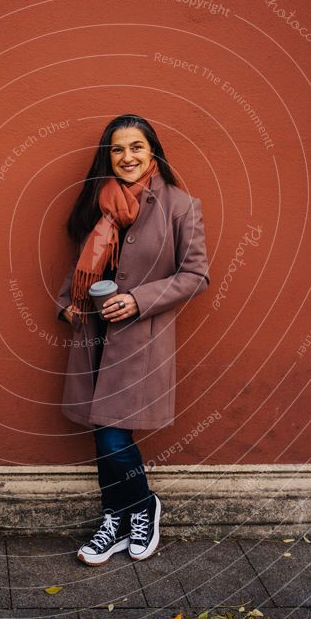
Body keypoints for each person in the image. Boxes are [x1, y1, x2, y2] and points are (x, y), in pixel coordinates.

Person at [55, 114, 210, 565]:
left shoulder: (182, 206)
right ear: (109, 156)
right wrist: (67, 300)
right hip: (93, 331)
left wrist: (139, 300)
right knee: (104, 427)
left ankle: (140, 507)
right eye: (118, 149)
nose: (128, 157)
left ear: (153, 152)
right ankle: (117, 518)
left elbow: (196, 275)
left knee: (111, 432)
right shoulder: (96, 202)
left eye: (137, 147)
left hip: (140, 334)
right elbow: (81, 263)